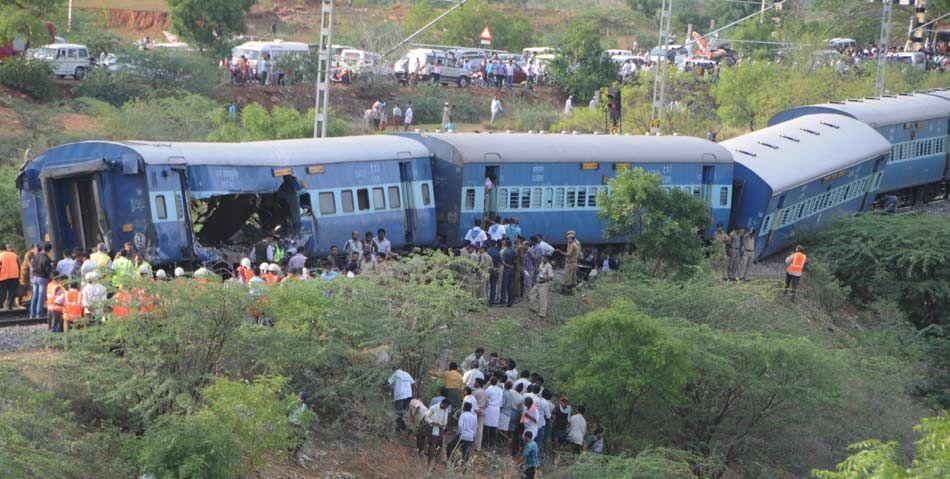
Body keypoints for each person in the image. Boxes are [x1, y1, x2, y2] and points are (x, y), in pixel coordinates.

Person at [29, 243, 53, 320]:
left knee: (34, 296)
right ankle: (39, 314)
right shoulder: (46, 258)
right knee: (41, 297)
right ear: (49, 250)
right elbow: (48, 270)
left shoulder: (36, 256)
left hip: (35, 278)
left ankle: (32, 314)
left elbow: (32, 266)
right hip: (42, 279)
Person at [424, 398, 450, 466]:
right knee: (432, 446)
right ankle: (429, 463)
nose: (446, 408)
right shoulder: (434, 408)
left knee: (439, 447)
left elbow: (445, 421)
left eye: (447, 407)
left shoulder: (446, 410)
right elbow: (426, 417)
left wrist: (444, 426)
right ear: (442, 403)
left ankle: (435, 463)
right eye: (445, 406)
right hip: (433, 429)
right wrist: (432, 422)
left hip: (441, 430)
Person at [388, 367, 415, 432]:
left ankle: (398, 428)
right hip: (408, 395)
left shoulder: (395, 374)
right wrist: (413, 394)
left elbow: (388, 382)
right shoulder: (407, 374)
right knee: (404, 411)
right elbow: (413, 383)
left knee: (398, 412)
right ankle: (403, 427)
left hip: (400, 395)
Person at [484, 376, 504, 449]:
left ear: (490, 382)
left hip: (489, 408)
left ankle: (486, 443)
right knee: (494, 426)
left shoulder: (488, 389)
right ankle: (492, 444)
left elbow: (485, 399)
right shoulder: (500, 390)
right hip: (497, 409)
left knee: (487, 426)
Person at [0, 245, 19, 310]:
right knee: (12, 292)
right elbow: (18, 265)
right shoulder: (14, 255)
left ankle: (1, 305)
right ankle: (9, 306)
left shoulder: (0, 255)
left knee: (2, 292)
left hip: (3, 277)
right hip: (14, 276)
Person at [500, 239, 516, 307]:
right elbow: (515, 261)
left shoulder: (505, 252)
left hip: (506, 270)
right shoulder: (513, 252)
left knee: (504, 286)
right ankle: (510, 302)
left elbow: (503, 262)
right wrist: (512, 266)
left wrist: (508, 265)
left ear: (506, 244)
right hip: (512, 270)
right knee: (510, 286)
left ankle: (503, 301)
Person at [487, 241, 501, 306]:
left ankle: (485, 300)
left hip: (487, 270)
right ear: (495, 244)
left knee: (486, 285)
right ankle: (491, 301)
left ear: (490, 244)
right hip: (495, 270)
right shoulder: (498, 252)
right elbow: (500, 262)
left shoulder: (487, 251)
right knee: (493, 286)